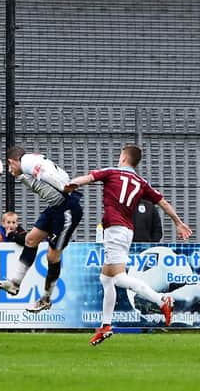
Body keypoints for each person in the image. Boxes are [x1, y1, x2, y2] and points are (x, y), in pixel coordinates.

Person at [66, 144, 192, 345]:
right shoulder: (141, 182)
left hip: (115, 230)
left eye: (120, 155)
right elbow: (163, 202)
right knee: (106, 279)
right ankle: (106, 326)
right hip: (125, 230)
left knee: (118, 278)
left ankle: (162, 300)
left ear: (124, 158)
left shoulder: (112, 172)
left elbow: (88, 178)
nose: (118, 159)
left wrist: (72, 184)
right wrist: (178, 222)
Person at [0, 146, 83, 313]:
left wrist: (64, 186)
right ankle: (14, 283)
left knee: (52, 256)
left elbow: (47, 174)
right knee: (30, 239)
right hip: (54, 208)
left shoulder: (27, 163)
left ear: (12, 161)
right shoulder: (27, 164)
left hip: (67, 209)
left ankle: (46, 299)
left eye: (10, 166)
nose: (10, 171)